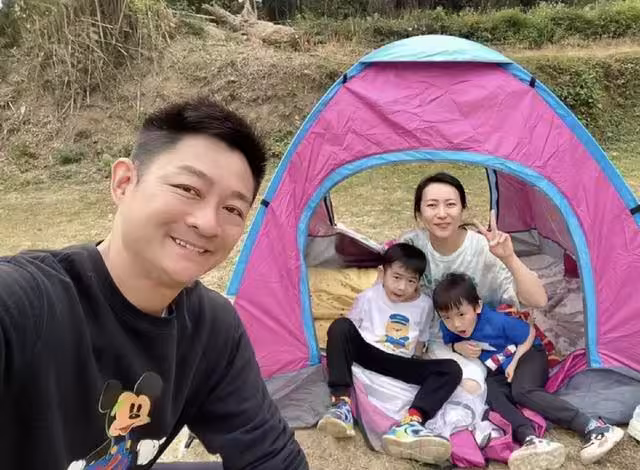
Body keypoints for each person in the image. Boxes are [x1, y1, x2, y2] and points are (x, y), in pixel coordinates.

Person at [0, 98, 308, 469]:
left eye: (232, 209)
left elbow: (271, 455)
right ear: (124, 182)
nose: (208, 223)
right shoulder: (25, 303)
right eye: (189, 189)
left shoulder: (213, 329)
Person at [434, 272, 625, 470]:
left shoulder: (496, 321)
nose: (456, 324)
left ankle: (592, 426)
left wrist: (515, 363)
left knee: (522, 391)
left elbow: (529, 334)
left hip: (528, 354)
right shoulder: (448, 327)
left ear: (478, 307)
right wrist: (457, 347)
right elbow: (448, 342)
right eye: (447, 317)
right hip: (499, 367)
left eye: (461, 314)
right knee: (490, 391)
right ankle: (529, 438)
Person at [399, 171, 549, 397]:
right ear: (419, 212)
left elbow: (538, 300)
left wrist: (509, 257)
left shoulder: (483, 249)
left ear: (463, 209)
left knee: (469, 387)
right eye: (431, 205)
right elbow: (388, 290)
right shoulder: (411, 245)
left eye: (450, 204)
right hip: (424, 337)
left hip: (474, 340)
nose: (442, 214)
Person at [317, 243, 463, 465]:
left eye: (411, 281)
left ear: (419, 282)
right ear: (382, 272)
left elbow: (420, 344)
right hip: (368, 354)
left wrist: (423, 365)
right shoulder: (369, 297)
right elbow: (349, 332)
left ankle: (411, 423)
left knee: (451, 369)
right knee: (340, 326)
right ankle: (342, 404)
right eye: (396, 277)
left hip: (400, 363)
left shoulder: (424, 305)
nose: (402, 287)